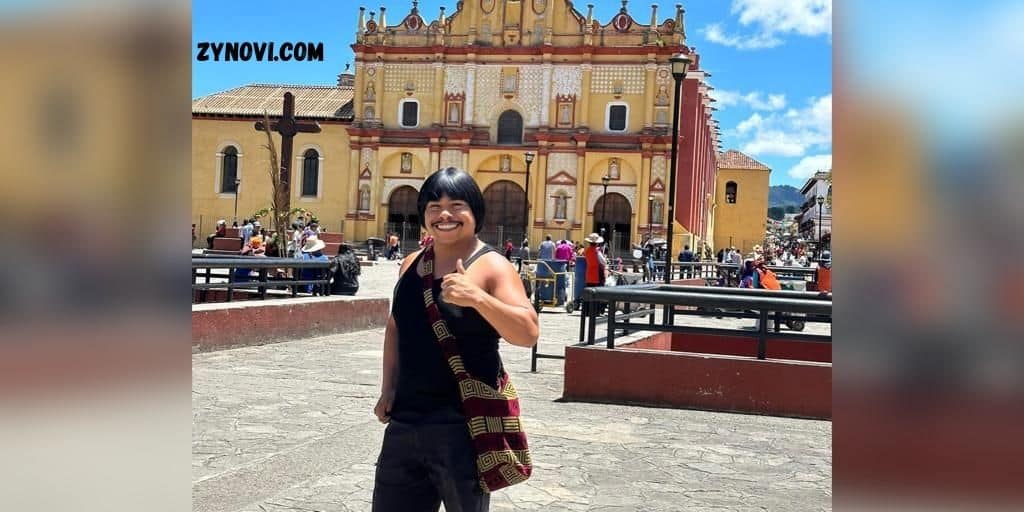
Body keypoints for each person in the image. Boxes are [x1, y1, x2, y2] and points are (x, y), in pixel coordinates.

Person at [372, 167, 539, 511]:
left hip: (464, 425)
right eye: (433, 207)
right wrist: (388, 389)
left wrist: (478, 298)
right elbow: (396, 327)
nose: (444, 215)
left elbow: (527, 332)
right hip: (406, 421)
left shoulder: (492, 266)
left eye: (456, 205)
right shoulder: (411, 264)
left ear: (475, 211)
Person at [582, 233, 607, 316]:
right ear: (597, 243)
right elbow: (603, 261)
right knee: (598, 293)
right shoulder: (597, 252)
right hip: (597, 274)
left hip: (589, 274)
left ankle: (587, 311)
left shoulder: (587, 251)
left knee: (589, 293)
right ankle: (596, 311)